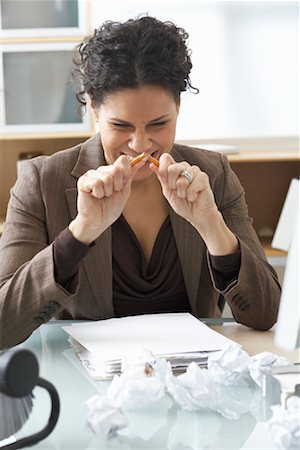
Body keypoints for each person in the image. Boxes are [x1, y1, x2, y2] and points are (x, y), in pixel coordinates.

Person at [0, 16, 280, 350]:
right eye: (121, 125)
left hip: (195, 380)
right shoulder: (42, 181)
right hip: (87, 387)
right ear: (93, 108)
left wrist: (211, 225)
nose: (140, 144)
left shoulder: (213, 174)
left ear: (178, 106)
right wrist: (81, 232)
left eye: (159, 123)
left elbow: (266, 314)